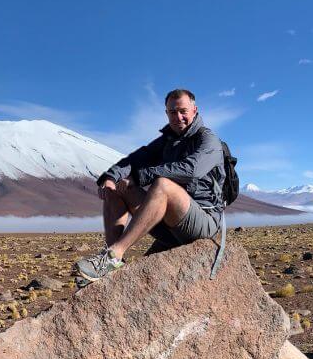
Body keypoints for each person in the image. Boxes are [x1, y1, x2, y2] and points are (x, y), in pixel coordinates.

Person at [75, 88, 227, 286]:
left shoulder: (208, 140)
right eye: (172, 112)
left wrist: (140, 176)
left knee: (162, 185)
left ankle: (114, 254)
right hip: (171, 225)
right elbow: (137, 158)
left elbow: (192, 170)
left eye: (183, 111)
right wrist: (110, 177)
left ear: (195, 110)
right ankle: (109, 264)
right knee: (118, 188)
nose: (178, 117)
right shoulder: (167, 140)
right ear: (166, 113)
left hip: (203, 223)